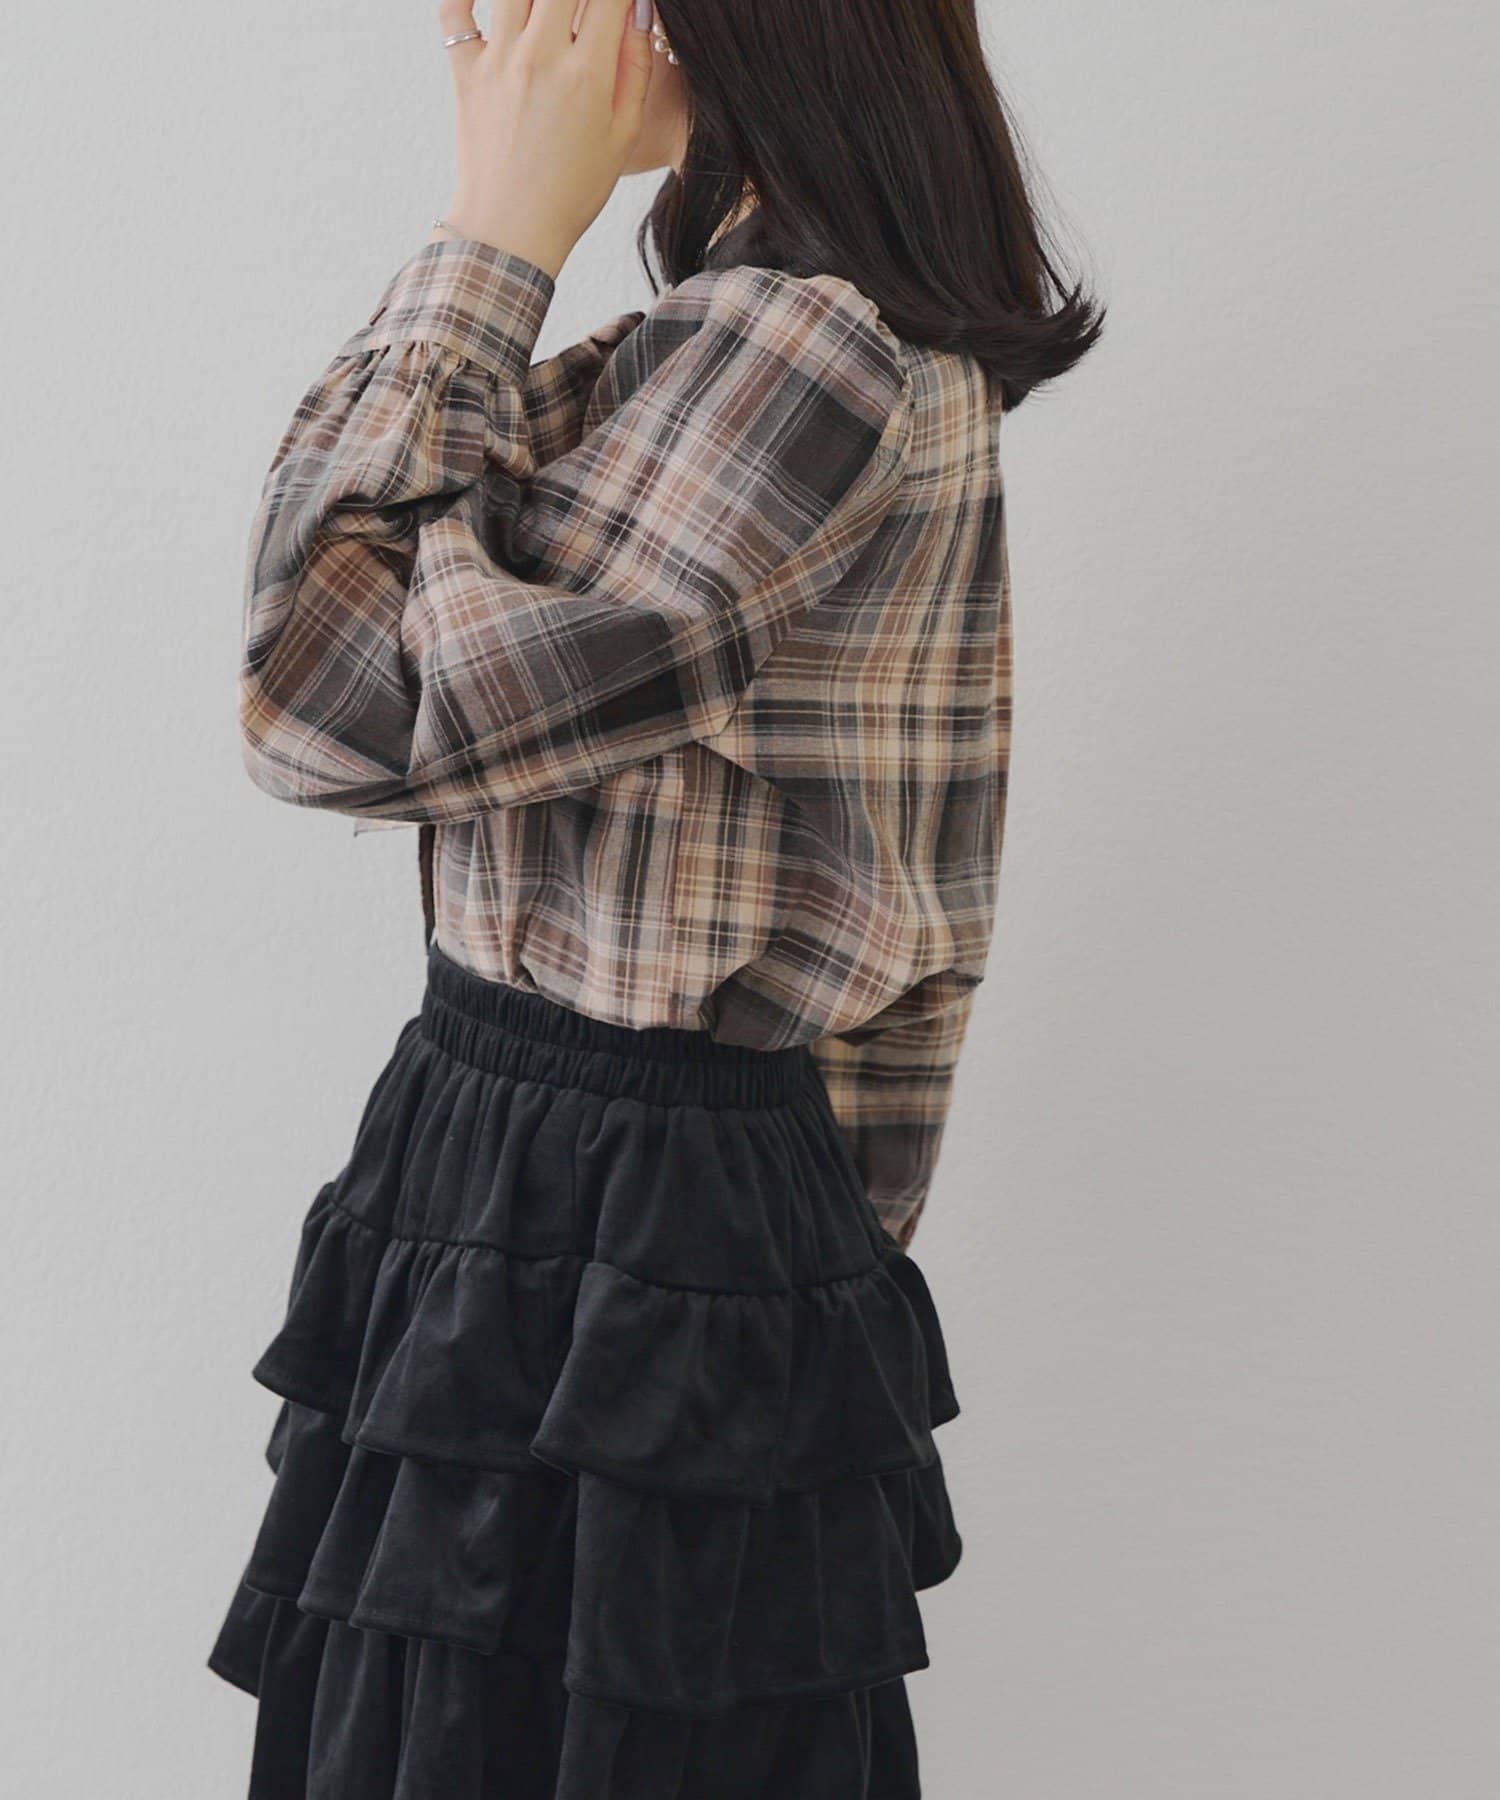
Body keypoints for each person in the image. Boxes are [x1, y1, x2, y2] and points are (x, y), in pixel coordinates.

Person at [208, 0, 1102, 1792]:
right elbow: (909, 954)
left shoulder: (802, 353)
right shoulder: (731, 338)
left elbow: (314, 699)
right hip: (582, 1180)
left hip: (612, 1194)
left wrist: (494, 235)